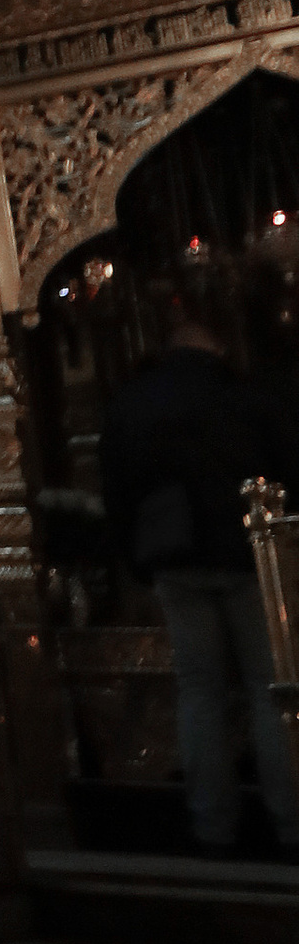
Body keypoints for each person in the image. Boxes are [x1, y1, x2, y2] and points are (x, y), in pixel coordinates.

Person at [99, 270, 299, 859]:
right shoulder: (246, 393)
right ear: (217, 341)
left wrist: (135, 559)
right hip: (248, 558)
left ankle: (212, 826)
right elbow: (288, 470)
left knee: (200, 691)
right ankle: (290, 825)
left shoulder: (136, 400)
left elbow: (118, 488)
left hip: (176, 559)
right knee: (273, 689)